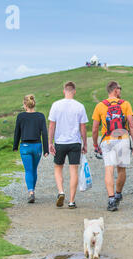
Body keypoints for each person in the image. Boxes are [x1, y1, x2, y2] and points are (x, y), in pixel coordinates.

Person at [92, 81, 133, 212]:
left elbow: (95, 129)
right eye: (120, 89)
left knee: (109, 169)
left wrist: (95, 144)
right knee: (122, 170)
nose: (120, 91)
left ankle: (111, 199)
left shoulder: (100, 106)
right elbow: (131, 125)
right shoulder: (125, 104)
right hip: (123, 139)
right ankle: (118, 193)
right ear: (115, 90)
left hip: (107, 140)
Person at [48, 81, 88, 209]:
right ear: (74, 91)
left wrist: (50, 142)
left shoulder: (55, 105)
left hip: (60, 142)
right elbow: (83, 128)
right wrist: (85, 143)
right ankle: (71, 201)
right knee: (73, 171)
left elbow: (51, 125)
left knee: (58, 168)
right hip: (75, 142)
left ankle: (61, 192)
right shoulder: (80, 106)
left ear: (64, 91)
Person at [13, 94, 49, 203]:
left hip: (25, 147)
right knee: (34, 169)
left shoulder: (20, 116)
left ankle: (31, 192)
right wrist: (46, 149)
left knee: (28, 170)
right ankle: (32, 191)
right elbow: (44, 133)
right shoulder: (40, 116)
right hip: (37, 147)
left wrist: (15, 146)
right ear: (34, 104)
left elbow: (17, 133)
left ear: (24, 104)